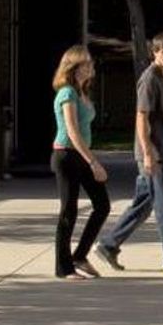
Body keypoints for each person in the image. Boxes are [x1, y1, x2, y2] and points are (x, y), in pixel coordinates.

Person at [95, 31, 163, 274]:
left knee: (144, 204)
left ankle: (108, 246)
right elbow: (141, 118)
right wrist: (148, 153)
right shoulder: (149, 79)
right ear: (155, 53)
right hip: (153, 153)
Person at [49, 44, 109, 281]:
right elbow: (72, 132)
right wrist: (94, 162)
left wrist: (89, 159)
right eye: (84, 64)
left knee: (102, 205)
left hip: (80, 155)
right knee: (68, 211)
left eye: (90, 63)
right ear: (72, 67)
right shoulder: (67, 93)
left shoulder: (83, 92)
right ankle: (63, 268)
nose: (89, 67)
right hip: (66, 155)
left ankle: (80, 255)